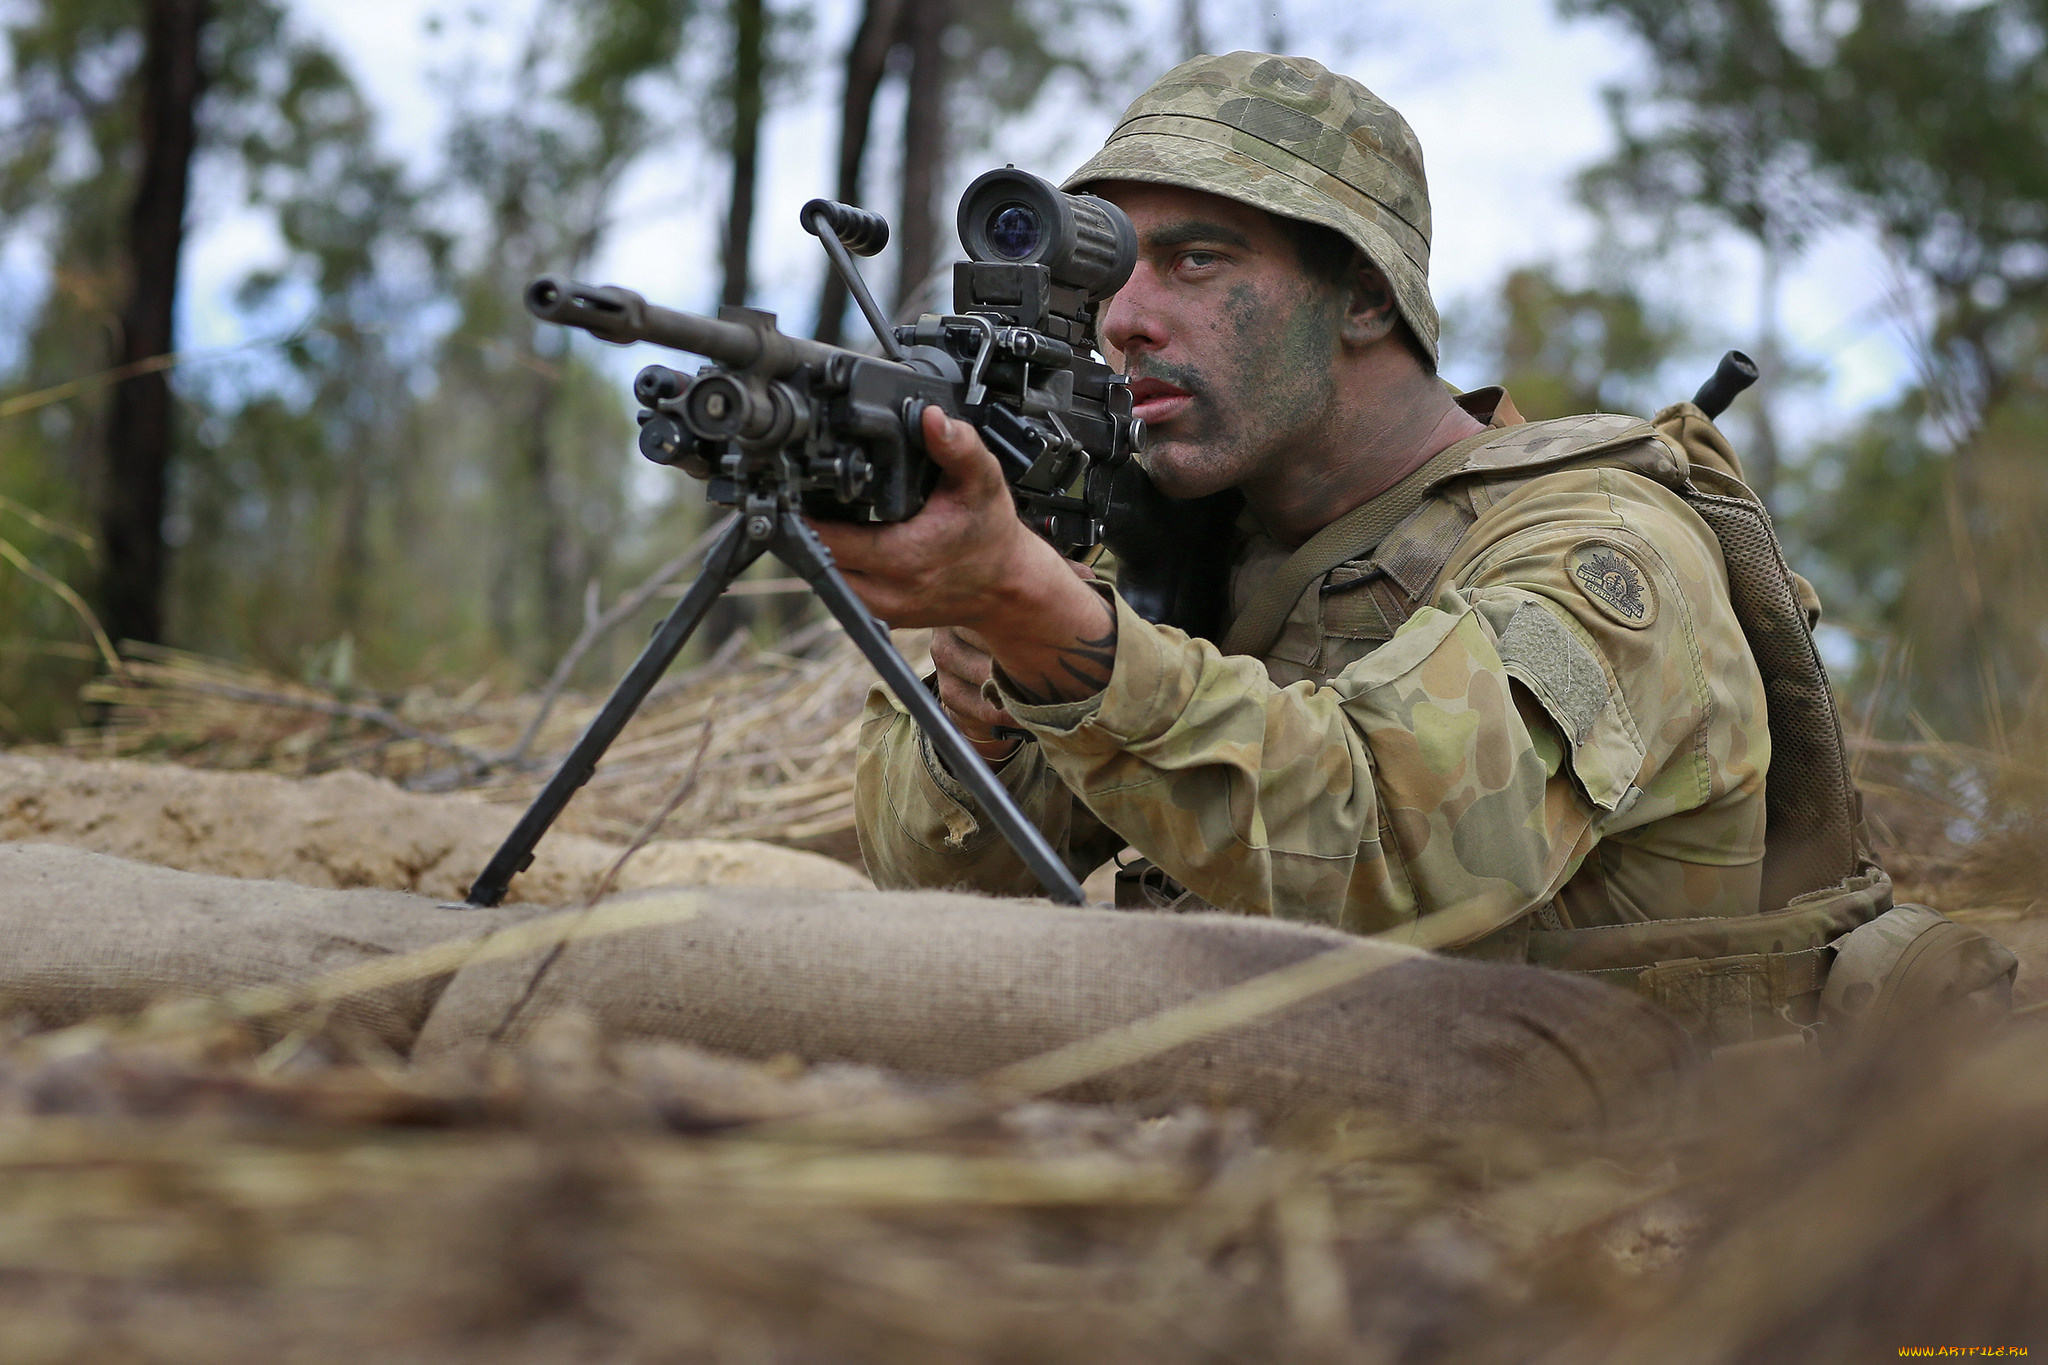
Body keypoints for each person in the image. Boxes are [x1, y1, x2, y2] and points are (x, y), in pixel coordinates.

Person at [812, 52, 1820, 978]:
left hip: (1598, 1157)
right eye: (1111, 271)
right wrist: (993, 682)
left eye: (1194, 260)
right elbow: (942, 889)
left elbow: (1397, 856)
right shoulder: (1184, 543)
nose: (1124, 318)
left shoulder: (1596, 545)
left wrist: (1052, 627)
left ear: (1364, 299)